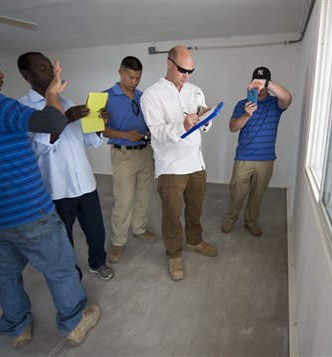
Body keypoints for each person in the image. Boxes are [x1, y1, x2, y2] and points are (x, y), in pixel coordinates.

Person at [0, 38, 100, 348]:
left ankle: (17, 327)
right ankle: (74, 322)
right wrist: (53, 93)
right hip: (28, 210)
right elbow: (52, 120)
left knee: (6, 275)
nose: (0, 72)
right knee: (60, 268)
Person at [17, 52, 114, 281]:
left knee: (96, 230)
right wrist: (64, 119)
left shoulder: (67, 102)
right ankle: (71, 274)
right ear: (26, 74)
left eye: (50, 67)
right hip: (57, 188)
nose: (50, 72)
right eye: (42, 68)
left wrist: (101, 124)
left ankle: (97, 262)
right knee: (63, 236)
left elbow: (89, 140)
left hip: (85, 183)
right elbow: (36, 149)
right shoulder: (25, 108)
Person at [141, 45, 218, 281]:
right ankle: (174, 254)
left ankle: (195, 241)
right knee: (172, 214)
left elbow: (204, 124)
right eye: (183, 69)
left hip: (196, 163)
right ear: (169, 63)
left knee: (195, 208)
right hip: (171, 166)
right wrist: (181, 126)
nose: (187, 75)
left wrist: (206, 120)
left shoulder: (195, 90)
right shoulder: (151, 95)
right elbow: (156, 132)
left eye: (191, 70)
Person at [221, 66, 292, 237]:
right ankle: (231, 219)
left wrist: (266, 83)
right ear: (251, 83)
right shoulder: (242, 104)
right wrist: (246, 115)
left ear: (268, 83)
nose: (259, 87)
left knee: (257, 195)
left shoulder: (276, 104)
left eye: (262, 83)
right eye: (256, 83)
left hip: (265, 160)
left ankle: (250, 221)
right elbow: (232, 127)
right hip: (243, 158)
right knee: (237, 192)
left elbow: (288, 98)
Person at [103, 56, 155, 263]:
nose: (134, 82)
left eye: (138, 78)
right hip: (123, 154)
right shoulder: (105, 97)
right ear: (120, 72)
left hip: (145, 152)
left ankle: (140, 228)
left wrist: (150, 131)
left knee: (144, 194)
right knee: (124, 199)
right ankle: (118, 241)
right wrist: (125, 135)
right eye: (131, 77)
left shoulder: (144, 97)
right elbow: (98, 130)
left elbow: (149, 122)